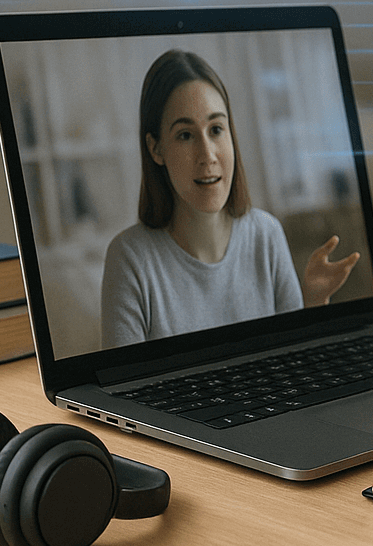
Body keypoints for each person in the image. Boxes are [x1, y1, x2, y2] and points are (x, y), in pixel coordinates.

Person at [101, 49, 359, 347]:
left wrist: (314, 304)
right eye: (185, 135)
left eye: (216, 129)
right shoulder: (129, 259)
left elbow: (296, 364)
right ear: (156, 148)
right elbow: (120, 389)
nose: (207, 155)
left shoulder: (266, 234)